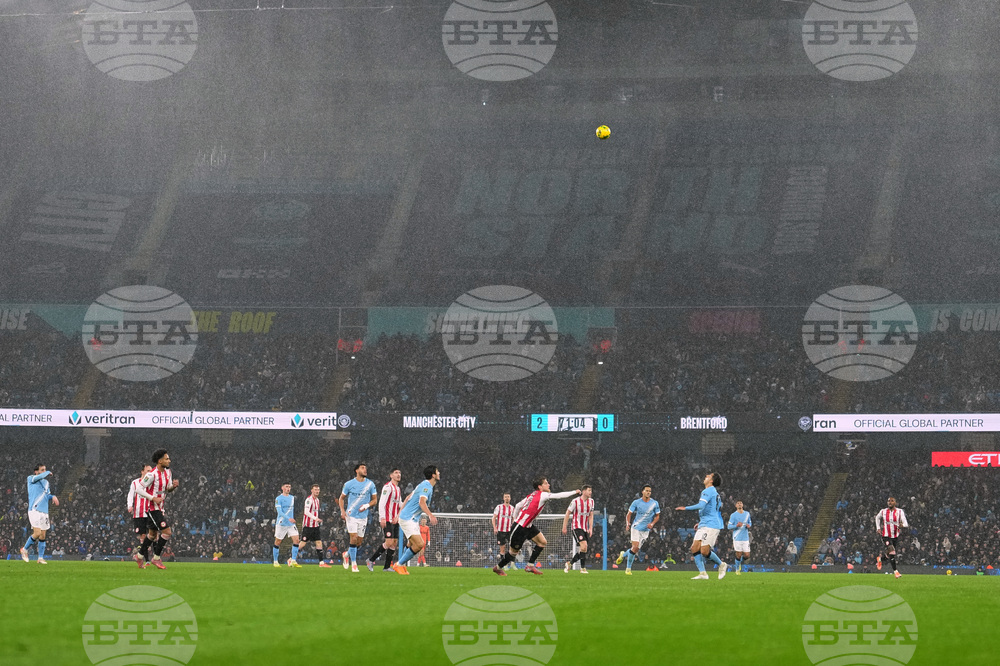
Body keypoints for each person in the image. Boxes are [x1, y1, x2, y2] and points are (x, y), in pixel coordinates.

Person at [493, 478, 580, 577]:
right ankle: (498, 568)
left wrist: (516, 518)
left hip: (528, 526)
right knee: (513, 553)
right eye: (546, 483)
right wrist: (574, 492)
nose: (549, 485)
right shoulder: (543, 494)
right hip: (520, 527)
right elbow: (558, 496)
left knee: (542, 542)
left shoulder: (532, 495)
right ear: (540, 486)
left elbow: (518, 506)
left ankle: (530, 565)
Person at [676, 472, 728, 580]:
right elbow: (713, 509)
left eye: (708, 476)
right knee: (694, 548)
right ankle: (703, 573)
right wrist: (701, 522)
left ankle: (721, 564)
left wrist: (685, 508)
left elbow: (701, 505)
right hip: (705, 523)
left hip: (711, 525)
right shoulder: (714, 492)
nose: (706, 476)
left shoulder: (708, 490)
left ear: (711, 481)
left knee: (704, 551)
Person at [392, 465, 440, 575]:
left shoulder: (422, 484)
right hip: (408, 518)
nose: (439, 473)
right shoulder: (426, 487)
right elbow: (421, 502)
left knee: (410, 544)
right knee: (419, 544)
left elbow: (408, 497)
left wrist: (400, 512)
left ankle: (402, 566)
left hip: (410, 518)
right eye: (437, 472)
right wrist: (430, 515)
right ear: (433, 475)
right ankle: (398, 564)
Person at [141, 449, 179, 570]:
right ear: (160, 460)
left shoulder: (168, 472)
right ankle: (156, 558)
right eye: (167, 458)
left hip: (160, 507)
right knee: (167, 532)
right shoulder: (151, 474)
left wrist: (173, 487)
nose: (169, 461)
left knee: (152, 535)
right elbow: (140, 489)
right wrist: (152, 498)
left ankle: (138, 555)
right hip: (152, 508)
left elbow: (167, 489)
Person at [339, 463, 377, 573]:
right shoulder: (349, 484)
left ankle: (346, 554)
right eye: (362, 468)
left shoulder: (370, 484)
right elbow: (341, 498)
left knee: (359, 542)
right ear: (356, 470)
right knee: (353, 537)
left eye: (366, 468)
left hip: (363, 516)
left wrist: (367, 505)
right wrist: (342, 510)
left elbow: (375, 499)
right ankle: (354, 564)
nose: (365, 470)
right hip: (351, 515)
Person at [616, 484, 660, 575]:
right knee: (635, 547)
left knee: (635, 550)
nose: (648, 492)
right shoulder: (636, 502)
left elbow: (657, 516)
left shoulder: (654, 503)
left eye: (650, 491)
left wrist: (652, 523)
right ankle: (628, 569)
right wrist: (627, 523)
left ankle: (623, 554)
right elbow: (629, 514)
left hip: (646, 530)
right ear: (642, 492)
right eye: (647, 490)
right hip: (636, 527)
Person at [21, 464, 59, 564]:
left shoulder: (46, 483)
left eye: (45, 469)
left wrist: (53, 497)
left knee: (43, 535)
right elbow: (40, 476)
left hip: (44, 511)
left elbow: (47, 495)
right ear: (36, 471)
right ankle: (24, 549)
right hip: (34, 509)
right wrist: (47, 473)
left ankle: (40, 558)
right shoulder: (31, 478)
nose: (44, 471)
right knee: (37, 533)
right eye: (42, 470)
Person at [367, 469, 402, 571]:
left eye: (399, 473)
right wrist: (381, 517)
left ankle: (386, 567)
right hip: (387, 519)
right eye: (396, 473)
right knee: (389, 542)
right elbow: (382, 502)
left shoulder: (398, 489)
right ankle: (371, 560)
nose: (398, 474)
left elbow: (400, 504)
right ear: (391, 475)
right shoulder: (388, 487)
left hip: (395, 520)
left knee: (394, 542)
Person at [127, 464, 156, 569]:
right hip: (139, 514)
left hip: (150, 512)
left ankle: (149, 558)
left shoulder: (152, 484)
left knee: (153, 536)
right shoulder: (135, 483)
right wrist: (130, 505)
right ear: (142, 471)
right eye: (147, 470)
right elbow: (131, 495)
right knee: (143, 537)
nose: (150, 472)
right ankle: (147, 560)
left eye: (151, 471)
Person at [875, 496, 910, 579]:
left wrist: (902, 525)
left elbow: (906, 523)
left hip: (895, 536)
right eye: (888, 501)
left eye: (892, 501)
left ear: (895, 502)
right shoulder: (883, 511)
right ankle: (896, 571)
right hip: (885, 535)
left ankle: (880, 559)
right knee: (892, 551)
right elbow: (877, 517)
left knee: (889, 555)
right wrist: (878, 528)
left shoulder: (899, 511)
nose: (890, 502)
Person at [563, 485, 595, 574]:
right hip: (576, 527)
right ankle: (583, 568)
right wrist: (564, 526)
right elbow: (567, 513)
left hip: (585, 528)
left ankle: (570, 563)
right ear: (583, 491)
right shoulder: (575, 501)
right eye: (589, 490)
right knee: (584, 546)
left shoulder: (591, 501)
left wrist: (590, 528)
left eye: (591, 490)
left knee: (583, 549)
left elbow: (591, 515)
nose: (590, 492)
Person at [273, 483, 302, 568]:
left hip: (290, 524)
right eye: (286, 487)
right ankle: (275, 561)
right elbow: (280, 512)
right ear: (282, 488)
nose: (288, 488)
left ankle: (293, 560)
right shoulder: (278, 499)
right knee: (278, 542)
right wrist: (288, 518)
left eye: (289, 487)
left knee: (296, 540)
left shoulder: (292, 498)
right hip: (281, 523)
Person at [302, 484, 330, 568]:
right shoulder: (308, 500)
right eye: (315, 490)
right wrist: (315, 518)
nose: (317, 491)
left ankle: (321, 562)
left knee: (318, 542)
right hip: (308, 525)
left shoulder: (317, 500)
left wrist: (317, 520)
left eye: (318, 490)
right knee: (302, 543)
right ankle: (291, 558)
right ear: (311, 490)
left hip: (315, 526)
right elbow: (306, 512)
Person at [727, 500, 752, 574]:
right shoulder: (733, 515)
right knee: (738, 554)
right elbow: (729, 526)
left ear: (743, 505)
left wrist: (749, 525)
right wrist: (736, 526)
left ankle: (739, 562)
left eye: (741, 503)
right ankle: (737, 569)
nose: (740, 504)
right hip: (737, 538)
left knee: (747, 555)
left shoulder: (747, 514)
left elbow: (750, 522)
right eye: (738, 503)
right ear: (736, 506)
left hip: (745, 538)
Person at [492, 492, 515, 570]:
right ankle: (504, 565)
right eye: (505, 497)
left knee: (513, 547)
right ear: (503, 498)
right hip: (500, 530)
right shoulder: (499, 507)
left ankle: (512, 564)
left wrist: (513, 527)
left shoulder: (512, 508)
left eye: (508, 497)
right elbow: (494, 518)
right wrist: (495, 528)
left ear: (510, 498)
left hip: (509, 530)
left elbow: (513, 519)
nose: (507, 498)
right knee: (502, 548)